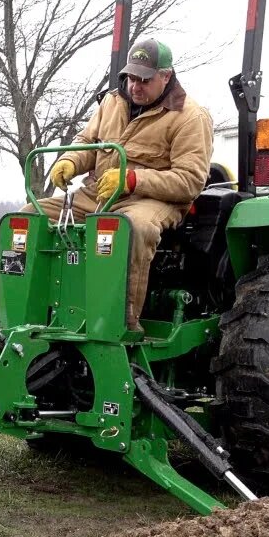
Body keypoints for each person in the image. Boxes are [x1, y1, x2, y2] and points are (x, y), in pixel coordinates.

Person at [28, 37, 213, 332]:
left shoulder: (189, 117)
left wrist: (132, 179)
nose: (135, 86)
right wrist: (71, 162)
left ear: (166, 76)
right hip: (98, 192)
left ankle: (120, 324)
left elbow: (189, 181)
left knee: (131, 228)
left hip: (150, 200)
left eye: (144, 80)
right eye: (130, 78)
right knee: (29, 217)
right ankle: (32, 312)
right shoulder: (112, 102)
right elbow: (88, 141)